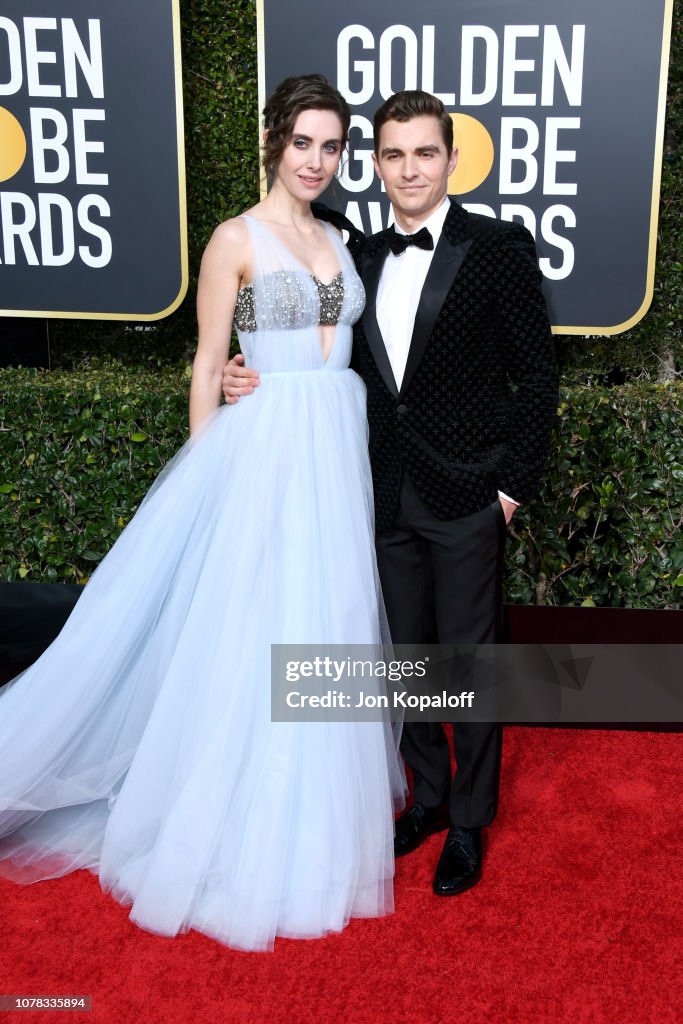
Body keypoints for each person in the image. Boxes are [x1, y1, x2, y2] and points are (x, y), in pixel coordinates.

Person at [0, 74, 404, 952]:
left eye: (332, 146)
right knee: (251, 631)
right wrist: (209, 471)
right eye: (304, 142)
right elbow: (207, 364)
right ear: (274, 142)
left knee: (325, 625)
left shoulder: (342, 237)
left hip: (335, 451)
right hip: (262, 457)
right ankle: (228, 828)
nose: (317, 160)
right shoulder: (234, 238)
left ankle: (315, 833)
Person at [223, 90, 558, 897]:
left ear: (450, 158)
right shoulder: (354, 254)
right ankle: (428, 799)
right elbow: (312, 352)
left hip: (470, 492)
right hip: (377, 490)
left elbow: (539, 376)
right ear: (375, 164)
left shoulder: (498, 248)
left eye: (424, 153)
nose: (409, 169)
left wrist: (511, 489)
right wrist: (244, 378)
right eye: (393, 154)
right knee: (404, 659)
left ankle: (471, 822)